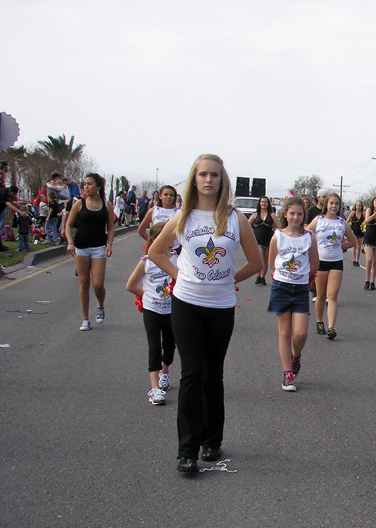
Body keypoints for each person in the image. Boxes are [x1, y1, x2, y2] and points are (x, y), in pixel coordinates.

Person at [148, 154, 262, 473]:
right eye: (202, 174)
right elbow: (156, 251)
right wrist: (178, 275)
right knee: (192, 372)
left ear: (222, 180)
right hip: (186, 303)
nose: (208, 180)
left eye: (214, 174)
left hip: (221, 307)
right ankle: (187, 449)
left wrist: (228, 279)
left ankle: (212, 440)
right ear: (194, 179)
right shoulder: (183, 217)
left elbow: (256, 263)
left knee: (213, 373)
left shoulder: (235, 218)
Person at [267, 197, 318, 391]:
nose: (295, 217)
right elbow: (272, 262)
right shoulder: (277, 236)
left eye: (299, 214)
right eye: (292, 213)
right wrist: (285, 274)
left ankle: (295, 356)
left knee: (301, 333)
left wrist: (303, 276)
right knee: (285, 332)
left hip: (300, 289)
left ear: (304, 215)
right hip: (281, 286)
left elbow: (315, 264)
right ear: (285, 214)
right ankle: (287, 374)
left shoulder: (309, 237)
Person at [125, 222, 177, 405]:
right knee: (154, 346)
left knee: (170, 346)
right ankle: (154, 389)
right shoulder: (146, 262)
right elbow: (130, 286)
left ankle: (165, 371)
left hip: (171, 311)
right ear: (154, 240)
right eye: (165, 238)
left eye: (171, 238)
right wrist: (147, 296)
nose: (170, 242)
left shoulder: (178, 260)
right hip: (152, 310)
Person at [64, 174, 116, 331]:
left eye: (89, 184)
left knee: (98, 284)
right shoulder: (78, 204)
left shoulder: (106, 205)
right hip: (81, 247)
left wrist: (109, 245)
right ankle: (85, 319)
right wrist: (70, 242)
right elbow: (68, 225)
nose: (86, 187)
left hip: (99, 247)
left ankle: (100, 306)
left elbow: (111, 227)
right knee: (84, 283)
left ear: (98, 187)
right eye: (84, 184)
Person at [307, 192, 355, 340]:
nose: (334, 206)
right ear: (326, 205)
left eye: (337, 204)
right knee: (320, 294)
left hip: (336, 261)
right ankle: (319, 321)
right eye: (331, 203)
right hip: (320, 261)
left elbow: (353, 241)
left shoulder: (342, 223)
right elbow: (305, 235)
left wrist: (342, 247)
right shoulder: (318, 221)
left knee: (332, 295)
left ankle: (331, 327)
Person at [248, 196, 278, 285]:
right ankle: (258, 276)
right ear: (259, 203)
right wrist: (252, 231)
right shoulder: (255, 214)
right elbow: (247, 224)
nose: (263, 204)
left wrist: (274, 231)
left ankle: (262, 277)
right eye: (262, 202)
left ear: (268, 204)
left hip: (268, 239)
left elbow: (279, 226)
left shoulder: (271, 215)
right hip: (258, 239)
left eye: (265, 202)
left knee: (265, 260)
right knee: (260, 258)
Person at [346, 200, 365, 266]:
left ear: (361, 206)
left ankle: (357, 260)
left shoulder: (363, 214)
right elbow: (347, 221)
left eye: (359, 205)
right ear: (355, 206)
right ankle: (354, 259)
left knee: (359, 246)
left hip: (360, 231)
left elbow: (366, 222)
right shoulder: (352, 213)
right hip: (353, 230)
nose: (358, 207)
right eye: (357, 205)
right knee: (354, 245)